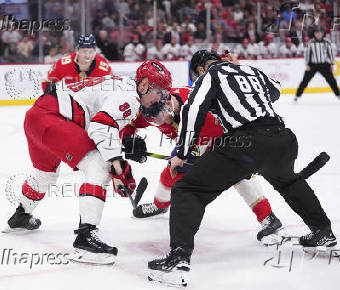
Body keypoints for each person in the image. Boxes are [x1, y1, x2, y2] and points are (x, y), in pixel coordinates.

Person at [147, 50, 336, 287]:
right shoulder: (249, 70)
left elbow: (192, 111)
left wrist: (182, 154)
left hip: (246, 143)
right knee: (289, 182)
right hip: (283, 138)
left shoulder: (209, 75)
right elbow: (275, 91)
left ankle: (178, 258)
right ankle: (323, 232)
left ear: (199, 69)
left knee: (188, 188)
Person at [5, 60, 173, 265]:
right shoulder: (130, 97)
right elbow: (101, 127)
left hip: (37, 117)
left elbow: (103, 123)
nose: (161, 99)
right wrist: (118, 166)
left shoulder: (123, 86)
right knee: (99, 166)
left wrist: (121, 148)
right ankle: (85, 239)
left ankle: (20, 216)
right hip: (53, 118)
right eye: (159, 92)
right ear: (144, 85)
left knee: (45, 174)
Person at [121, 83, 283, 244]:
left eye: (159, 117)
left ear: (168, 104)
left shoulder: (197, 108)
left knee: (239, 175)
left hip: (224, 137)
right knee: (170, 172)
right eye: (153, 119)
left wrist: (191, 156)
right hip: (192, 143)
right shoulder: (153, 107)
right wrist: (129, 139)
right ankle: (160, 205)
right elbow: (131, 124)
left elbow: (213, 136)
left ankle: (268, 217)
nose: (157, 121)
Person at [41, 34, 111, 92]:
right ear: (77, 50)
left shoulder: (103, 67)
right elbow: (46, 81)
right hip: (70, 102)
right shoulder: (63, 63)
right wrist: (52, 98)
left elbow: (108, 90)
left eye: (91, 51)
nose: (87, 55)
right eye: (84, 51)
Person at [295, 27, 340, 101]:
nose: (318, 34)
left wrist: (331, 64)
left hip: (324, 65)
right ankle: (297, 95)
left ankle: (338, 94)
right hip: (313, 65)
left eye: (320, 33)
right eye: (317, 33)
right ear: (314, 34)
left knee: (332, 81)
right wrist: (307, 64)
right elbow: (307, 54)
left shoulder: (327, 42)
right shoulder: (311, 42)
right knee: (305, 81)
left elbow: (331, 53)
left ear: (322, 34)